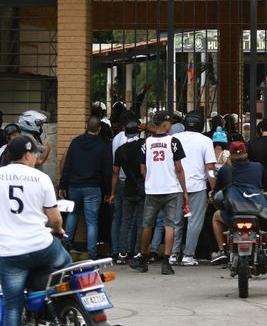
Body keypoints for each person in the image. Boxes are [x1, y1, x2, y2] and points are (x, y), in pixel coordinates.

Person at [0, 135, 71, 326]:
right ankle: (60, 304)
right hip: (41, 246)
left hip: (9, 253)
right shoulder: (41, 178)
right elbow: (55, 219)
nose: (36, 158)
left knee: (12, 306)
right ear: (27, 155)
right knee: (67, 262)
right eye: (34, 154)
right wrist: (59, 230)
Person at [210, 141, 267, 295]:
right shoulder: (257, 167)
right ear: (246, 154)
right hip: (258, 215)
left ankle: (222, 250)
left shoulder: (225, 171)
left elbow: (217, 193)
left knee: (216, 217)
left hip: (234, 215)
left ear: (230, 155)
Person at [129, 111, 190, 275]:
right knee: (170, 225)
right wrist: (185, 191)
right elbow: (179, 169)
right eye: (169, 123)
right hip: (171, 189)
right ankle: (166, 262)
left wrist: (152, 178)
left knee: (147, 224)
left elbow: (142, 169)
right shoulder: (173, 142)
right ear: (165, 124)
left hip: (152, 190)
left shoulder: (146, 143)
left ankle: (143, 257)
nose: (171, 126)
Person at [59, 116, 112, 260]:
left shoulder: (75, 143)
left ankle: (66, 247)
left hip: (74, 186)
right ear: (99, 129)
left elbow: (67, 165)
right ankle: (92, 254)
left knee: (73, 215)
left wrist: (62, 185)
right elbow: (107, 172)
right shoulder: (103, 146)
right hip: (93, 188)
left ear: (86, 127)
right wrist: (108, 192)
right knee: (92, 221)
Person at [169, 111, 215, 266]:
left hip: (176, 186)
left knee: (175, 221)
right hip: (197, 187)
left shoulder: (174, 139)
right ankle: (188, 255)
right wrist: (213, 189)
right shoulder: (206, 141)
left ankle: (173, 254)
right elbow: (210, 168)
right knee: (194, 222)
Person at [108, 117, 145, 264]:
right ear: (138, 132)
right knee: (141, 222)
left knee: (125, 221)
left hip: (127, 187)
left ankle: (122, 253)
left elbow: (115, 173)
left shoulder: (120, 150)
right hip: (142, 187)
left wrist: (112, 193)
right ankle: (136, 252)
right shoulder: (143, 146)